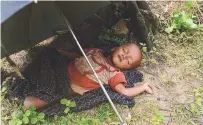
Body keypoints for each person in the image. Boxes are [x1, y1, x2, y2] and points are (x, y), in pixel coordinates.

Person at [24, 42, 153, 110]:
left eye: (128, 61)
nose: (124, 56)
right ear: (116, 47)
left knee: (29, 104)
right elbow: (76, 57)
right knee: (47, 59)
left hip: (69, 87)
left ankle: (33, 96)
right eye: (125, 50)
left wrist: (142, 87)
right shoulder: (96, 51)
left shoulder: (114, 74)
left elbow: (124, 91)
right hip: (61, 71)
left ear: (126, 68)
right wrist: (62, 52)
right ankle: (31, 81)